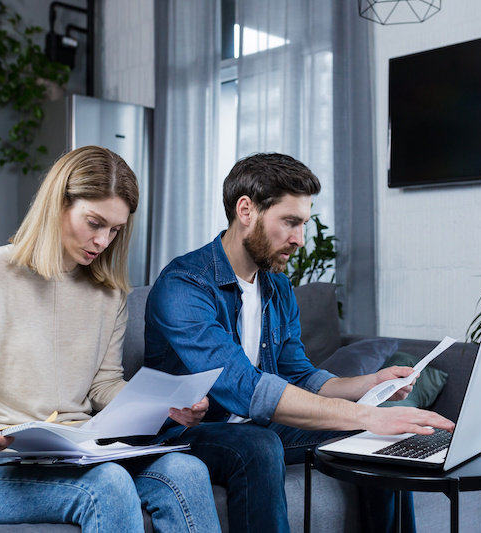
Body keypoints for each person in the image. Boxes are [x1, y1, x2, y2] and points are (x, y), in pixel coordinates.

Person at [144, 152, 455, 533]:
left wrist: (368, 385)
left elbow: (299, 374)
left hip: (263, 424)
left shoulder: (277, 286)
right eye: (290, 222)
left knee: (374, 438)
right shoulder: (184, 285)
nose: (300, 240)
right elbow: (244, 388)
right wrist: (368, 413)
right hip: (188, 434)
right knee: (258, 446)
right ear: (246, 210)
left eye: (303, 224)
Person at [0, 146, 221, 533]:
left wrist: (168, 406)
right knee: (108, 485)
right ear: (58, 204)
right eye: (94, 223)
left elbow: (103, 385)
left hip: (80, 453)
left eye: (115, 230)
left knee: (187, 469)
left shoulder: (109, 295)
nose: (103, 241)